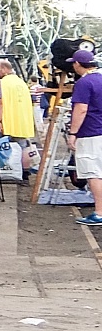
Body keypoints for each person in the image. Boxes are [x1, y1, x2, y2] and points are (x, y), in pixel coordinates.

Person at [68, 50, 102, 224]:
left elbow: (81, 109)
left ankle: (99, 212)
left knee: (93, 172)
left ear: (77, 64)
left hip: (90, 132)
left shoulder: (84, 83)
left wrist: (73, 133)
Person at [0, 60, 36, 178]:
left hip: (8, 120)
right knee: (23, 146)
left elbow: (0, 102)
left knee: (1, 145)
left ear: (5, 69)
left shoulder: (3, 83)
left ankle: (4, 171)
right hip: (22, 121)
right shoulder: (21, 82)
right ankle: (24, 172)